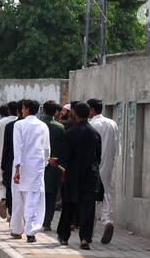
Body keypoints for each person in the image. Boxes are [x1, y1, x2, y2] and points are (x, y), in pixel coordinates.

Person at [56, 101, 103, 249]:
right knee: (88, 208)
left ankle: (64, 237)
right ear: (89, 114)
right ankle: (84, 239)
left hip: (73, 176)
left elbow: (65, 157)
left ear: (74, 113)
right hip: (90, 176)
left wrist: (60, 166)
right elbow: (98, 157)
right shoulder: (95, 134)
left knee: (69, 206)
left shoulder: (70, 133)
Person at [11, 99, 50, 243]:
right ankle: (31, 230)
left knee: (19, 199)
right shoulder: (43, 126)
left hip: (22, 166)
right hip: (37, 166)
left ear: (26, 109)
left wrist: (17, 168)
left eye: (22, 108)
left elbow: (18, 147)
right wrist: (44, 163)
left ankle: (17, 229)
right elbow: (47, 149)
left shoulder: (19, 125)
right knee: (34, 199)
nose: (22, 110)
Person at [87, 99, 119, 244]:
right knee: (106, 191)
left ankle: (89, 230)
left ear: (92, 110)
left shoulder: (91, 125)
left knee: (91, 195)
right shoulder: (112, 123)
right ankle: (107, 221)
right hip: (108, 163)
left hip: (93, 163)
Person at [40, 100, 66, 231]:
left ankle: (36, 219)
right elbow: (63, 149)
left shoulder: (39, 125)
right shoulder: (60, 127)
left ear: (43, 111)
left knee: (37, 194)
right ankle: (47, 222)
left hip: (38, 164)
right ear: (56, 112)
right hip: (54, 165)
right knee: (51, 195)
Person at [0, 103, 18, 218]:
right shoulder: (20, 123)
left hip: (1, 158)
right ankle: (10, 215)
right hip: (16, 161)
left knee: (1, 184)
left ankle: (3, 200)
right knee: (13, 188)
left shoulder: (1, 122)